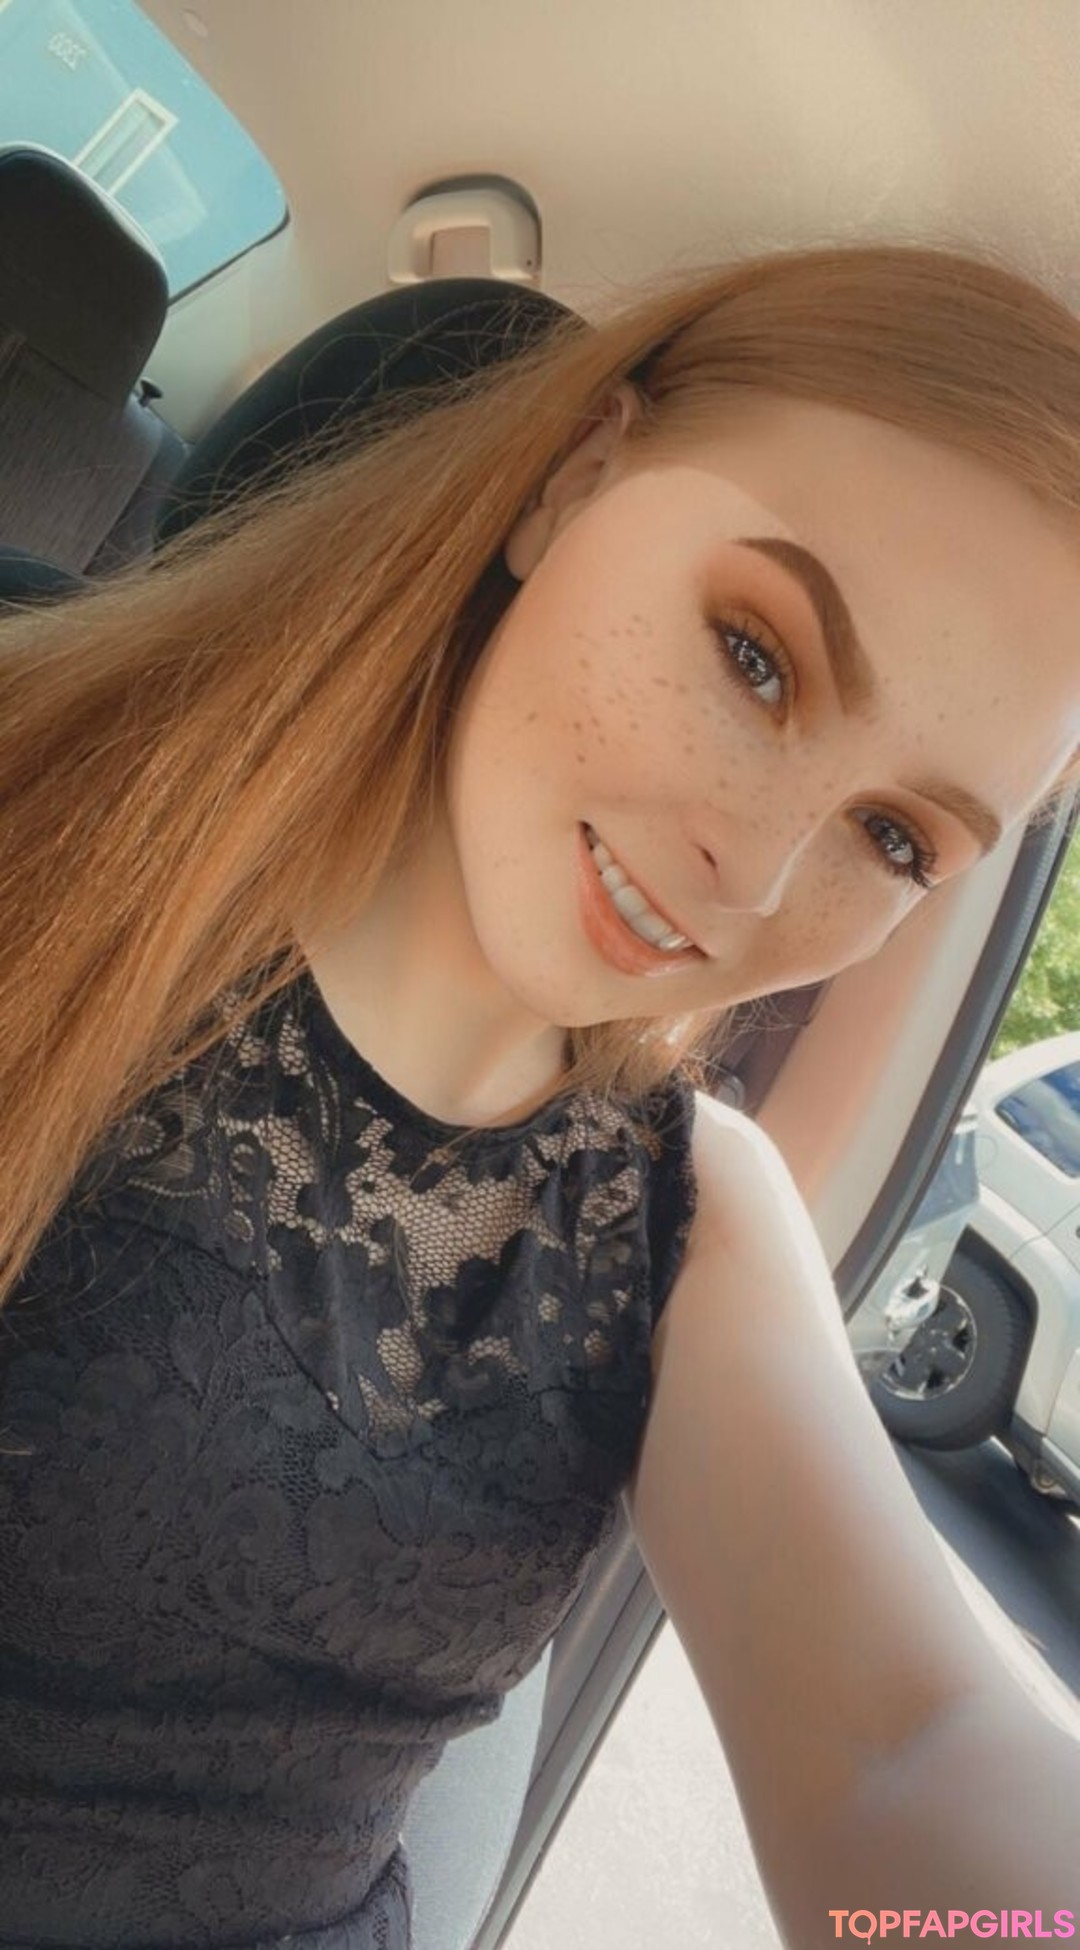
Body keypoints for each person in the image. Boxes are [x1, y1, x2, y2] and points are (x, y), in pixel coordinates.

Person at [1, 241, 1079, 1950]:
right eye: (757, 656)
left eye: (893, 837)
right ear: (575, 477)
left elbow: (907, 1744)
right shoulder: (40, 766)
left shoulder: (683, 1228)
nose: (755, 874)